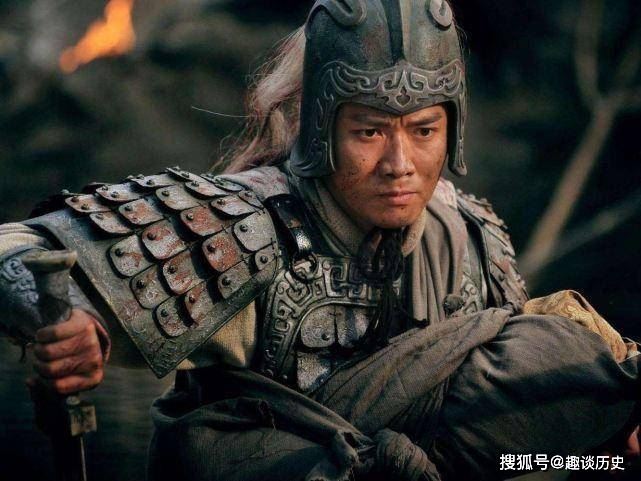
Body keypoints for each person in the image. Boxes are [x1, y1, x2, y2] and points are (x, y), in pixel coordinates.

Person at [1, 1, 640, 480]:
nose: (400, 165)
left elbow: (513, 454)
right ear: (320, 129)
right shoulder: (245, 224)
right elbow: (13, 251)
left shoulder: (473, 237)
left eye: (423, 131)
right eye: (369, 132)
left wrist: (605, 452)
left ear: (452, 129)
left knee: (564, 360)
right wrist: (67, 321)